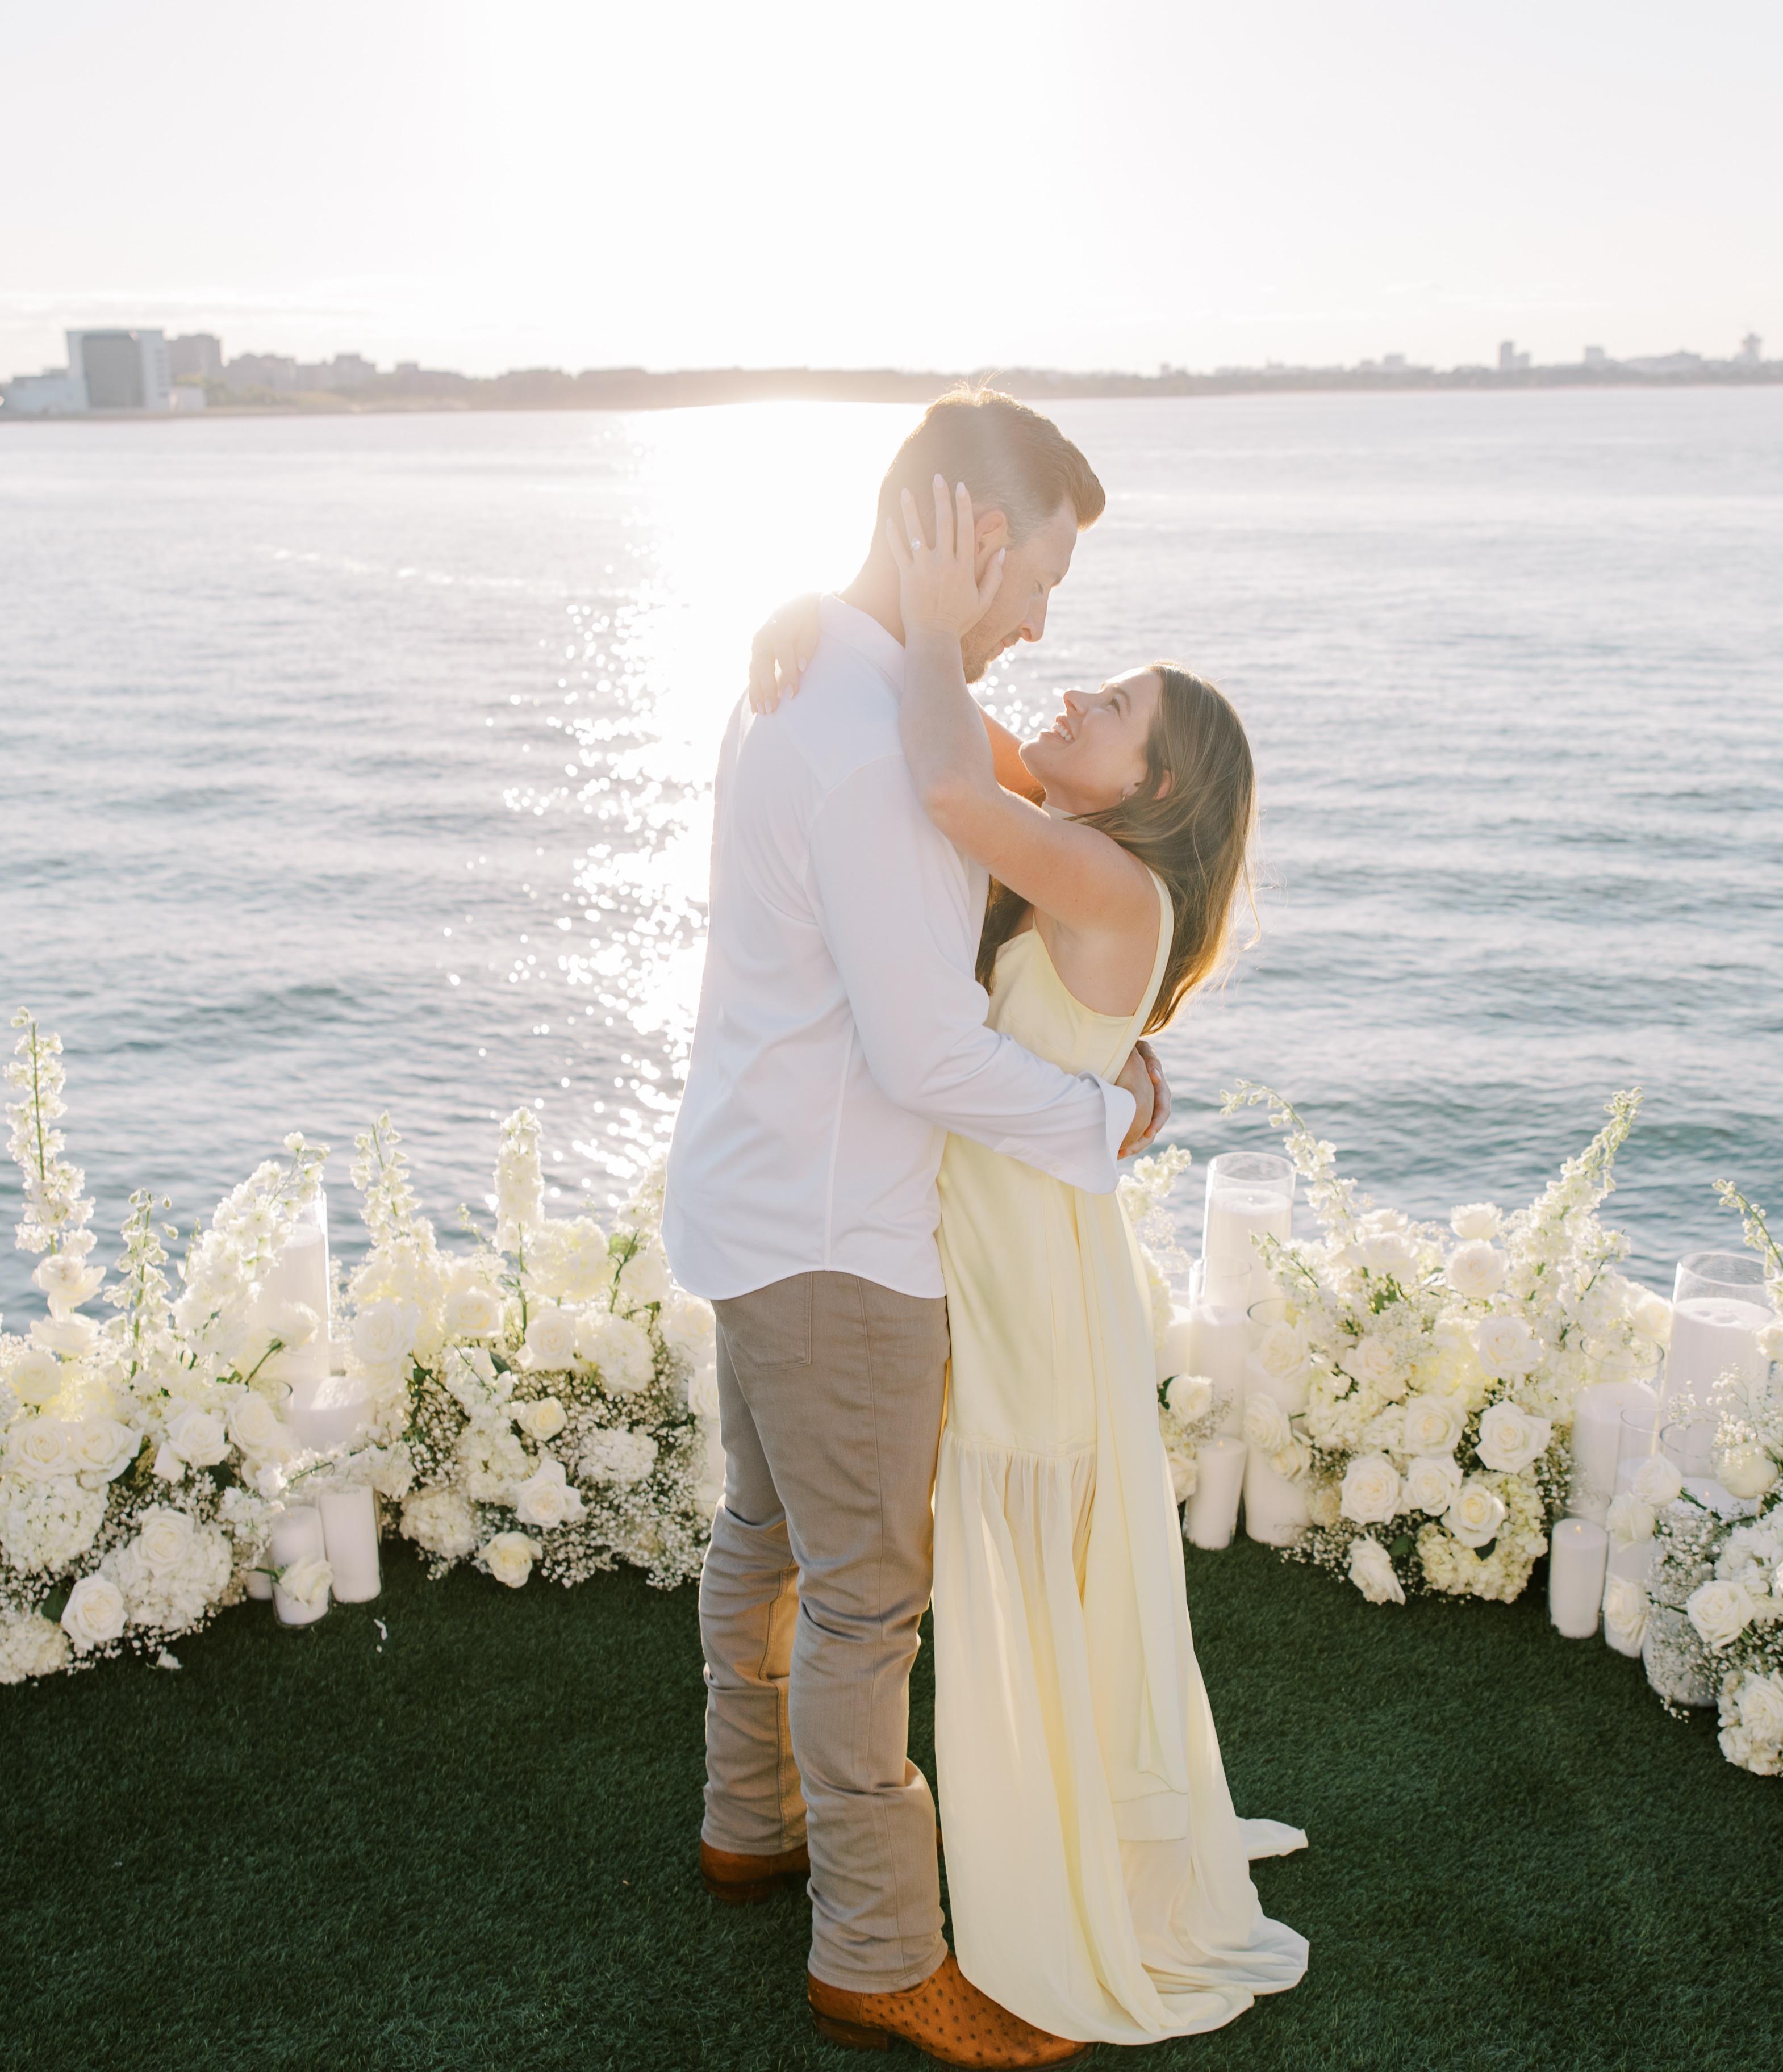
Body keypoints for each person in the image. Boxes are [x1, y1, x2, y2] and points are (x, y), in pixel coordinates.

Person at [745, 478, 1306, 2048]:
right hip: (996, 1254)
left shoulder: (1107, 879)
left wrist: (930, 622)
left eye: (1111, 706)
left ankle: (1051, 1887)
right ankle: (1032, 1848)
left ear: (1156, 785)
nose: (1071, 694)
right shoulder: (1078, 847)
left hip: (1028, 1288)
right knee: (1011, 1584)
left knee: (1026, 1588)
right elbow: (948, 731)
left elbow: (942, 769)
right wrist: (821, 616)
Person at [665, 390, 1165, 2069]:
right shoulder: (865, 729)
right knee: (867, 1603)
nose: (1043, 622)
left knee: (764, 1536)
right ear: (968, 534)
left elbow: (967, 764)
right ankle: (877, 1951)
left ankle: (750, 1822)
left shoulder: (821, 676)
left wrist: (836, 603)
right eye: (1043, 577)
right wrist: (1106, 1119)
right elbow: (929, 1057)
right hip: (838, 1238)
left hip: (751, 1195)